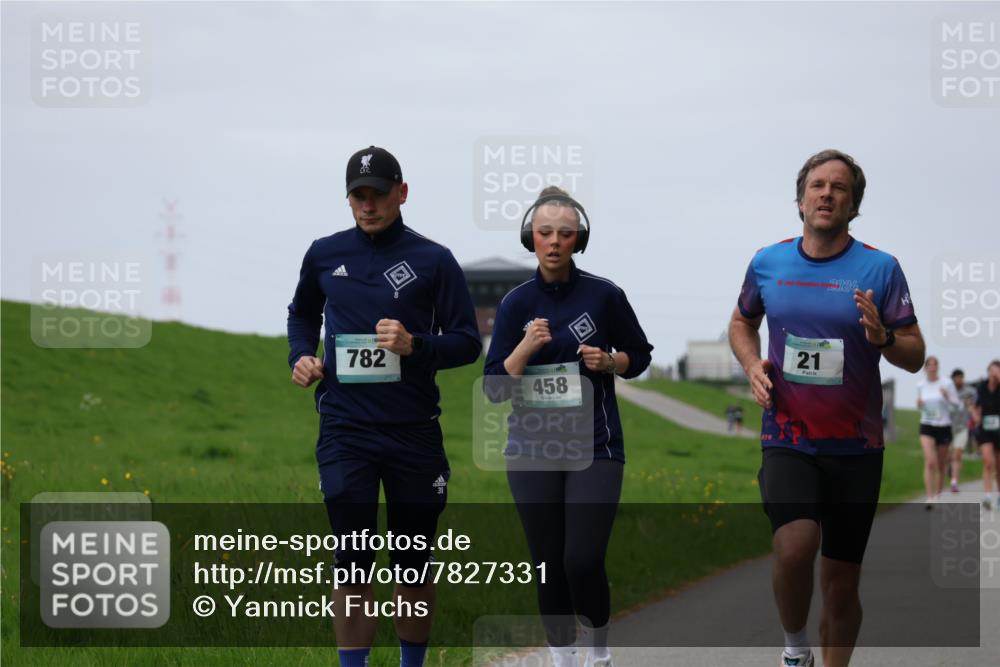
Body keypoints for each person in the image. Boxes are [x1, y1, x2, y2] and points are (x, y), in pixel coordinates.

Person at [286, 146, 482, 667]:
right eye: (358, 195)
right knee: (352, 561)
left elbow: (467, 342)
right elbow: (302, 314)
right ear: (348, 198)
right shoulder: (324, 254)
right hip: (345, 429)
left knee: (412, 565)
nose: (368, 205)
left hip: (413, 431)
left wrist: (416, 345)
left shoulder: (434, 259)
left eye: (378, 194)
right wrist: (301, 355)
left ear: (402, 193)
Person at [728, 149, 925, 667]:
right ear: (800, 199)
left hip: (857, 447)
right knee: (795, 547)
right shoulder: (768, 262)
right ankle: (796, 650)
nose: (827, 194)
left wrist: (884, 338)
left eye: (840, 188)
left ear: (853, 206)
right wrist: (751, 365)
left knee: (840, 585)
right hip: (788, 437)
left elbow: (914, 353)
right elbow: (742, 322)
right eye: (817, 185)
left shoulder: (881, 269)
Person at [484, 186, 653, 667]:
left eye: (564, 233)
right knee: (548, 565)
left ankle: (598, 656)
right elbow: (494, 387)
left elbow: (640, 356)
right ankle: (562, 659)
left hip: (594, 447)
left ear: (579, 239)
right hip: (531, 450)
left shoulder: (604, 295)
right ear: (530, 239)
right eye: (544, 233)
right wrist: (525, 348)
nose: (554, 241)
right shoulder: (516, 303)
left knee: (581, 560)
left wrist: (611, 361)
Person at [916, 356, 960, 506]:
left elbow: (957, 404)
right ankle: (930, 496)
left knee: (941, 464)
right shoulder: (920, 385)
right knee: (930, 462)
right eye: (929, 365)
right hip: (927, 425)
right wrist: (919, 404)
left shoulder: (946, 383)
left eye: (935, 365)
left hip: (943, 426)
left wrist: (947, 396)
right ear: (925, 368)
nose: (932, 367)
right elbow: (921, 406)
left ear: (938, 367)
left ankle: (938, 495)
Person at [972, 360, 1000, 510]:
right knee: (988, 462)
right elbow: (975, 406)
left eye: (996, 371)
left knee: (999, 467)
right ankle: (988, 496)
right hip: (985, 429)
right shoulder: (982, 387)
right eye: (991, 371)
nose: (993, 374)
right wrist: (976, 415)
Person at [947, 368, 977, 492]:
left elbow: (974, 403)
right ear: (953, 379)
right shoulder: (947, 390)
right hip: (948, 426)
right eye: (957, 378)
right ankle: (949, 467)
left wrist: (972, 407)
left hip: (962, 427)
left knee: (958, 454)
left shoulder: (969, 391)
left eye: (961, 378)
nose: (959, 380)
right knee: (948, 456)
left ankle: (954, 482)